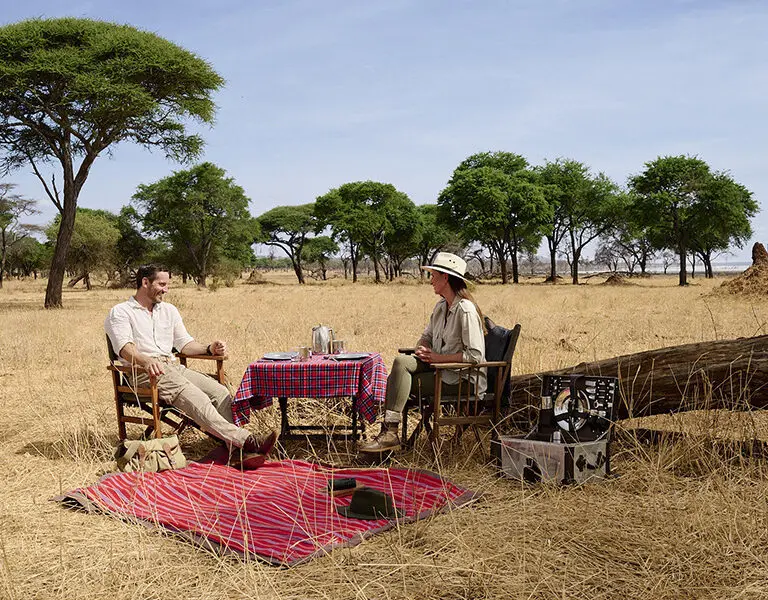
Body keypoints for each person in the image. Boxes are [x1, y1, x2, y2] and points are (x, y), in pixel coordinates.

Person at [104, 264, 276, 469]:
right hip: (143, 372)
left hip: (172, 367)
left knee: (220, 392)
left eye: (167, 284)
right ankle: (247, 442)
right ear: (145, 282)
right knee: (198, 398)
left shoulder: (169, 310)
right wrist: (146, 361)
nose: (166, 289)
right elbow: (125, 349)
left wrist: (209, 348)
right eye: (162, 284)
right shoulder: (121, 312)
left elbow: (185, 344)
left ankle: (236, 451)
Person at [360, 252, 487, 453]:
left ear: (446, 278)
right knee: (401, 362)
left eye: (434, 276)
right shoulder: (440, 307)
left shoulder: (466, 310)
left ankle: (388, 433)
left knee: (398, 380)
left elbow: (475, 356)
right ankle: (389, 433)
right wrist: (423, 347)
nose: (431, 281)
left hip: (461, 379)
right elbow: (426, 336)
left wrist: (439, 358)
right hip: (440, 370)